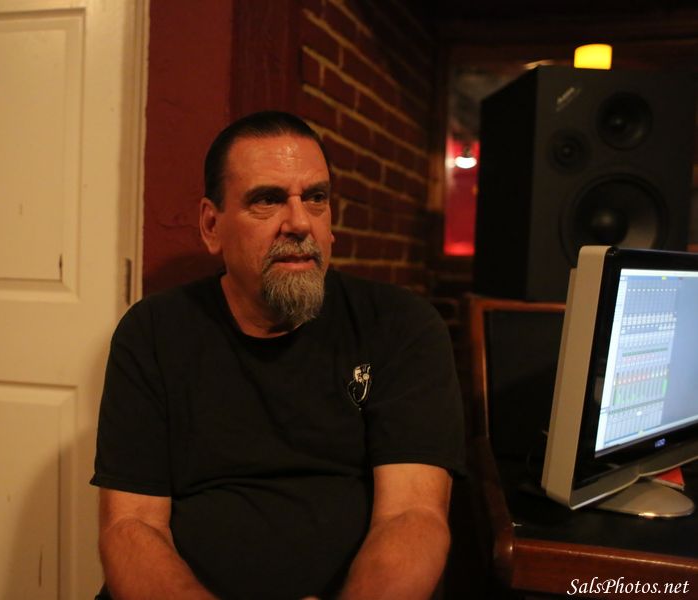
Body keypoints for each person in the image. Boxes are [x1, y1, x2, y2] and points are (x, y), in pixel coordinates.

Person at [91, 111, 464, 600]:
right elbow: (131, 526)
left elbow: (413, 516)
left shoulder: (400, 326)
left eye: (315, 198)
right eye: (267, 200)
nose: (300, 222)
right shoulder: (154, 333)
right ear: (211, 225)